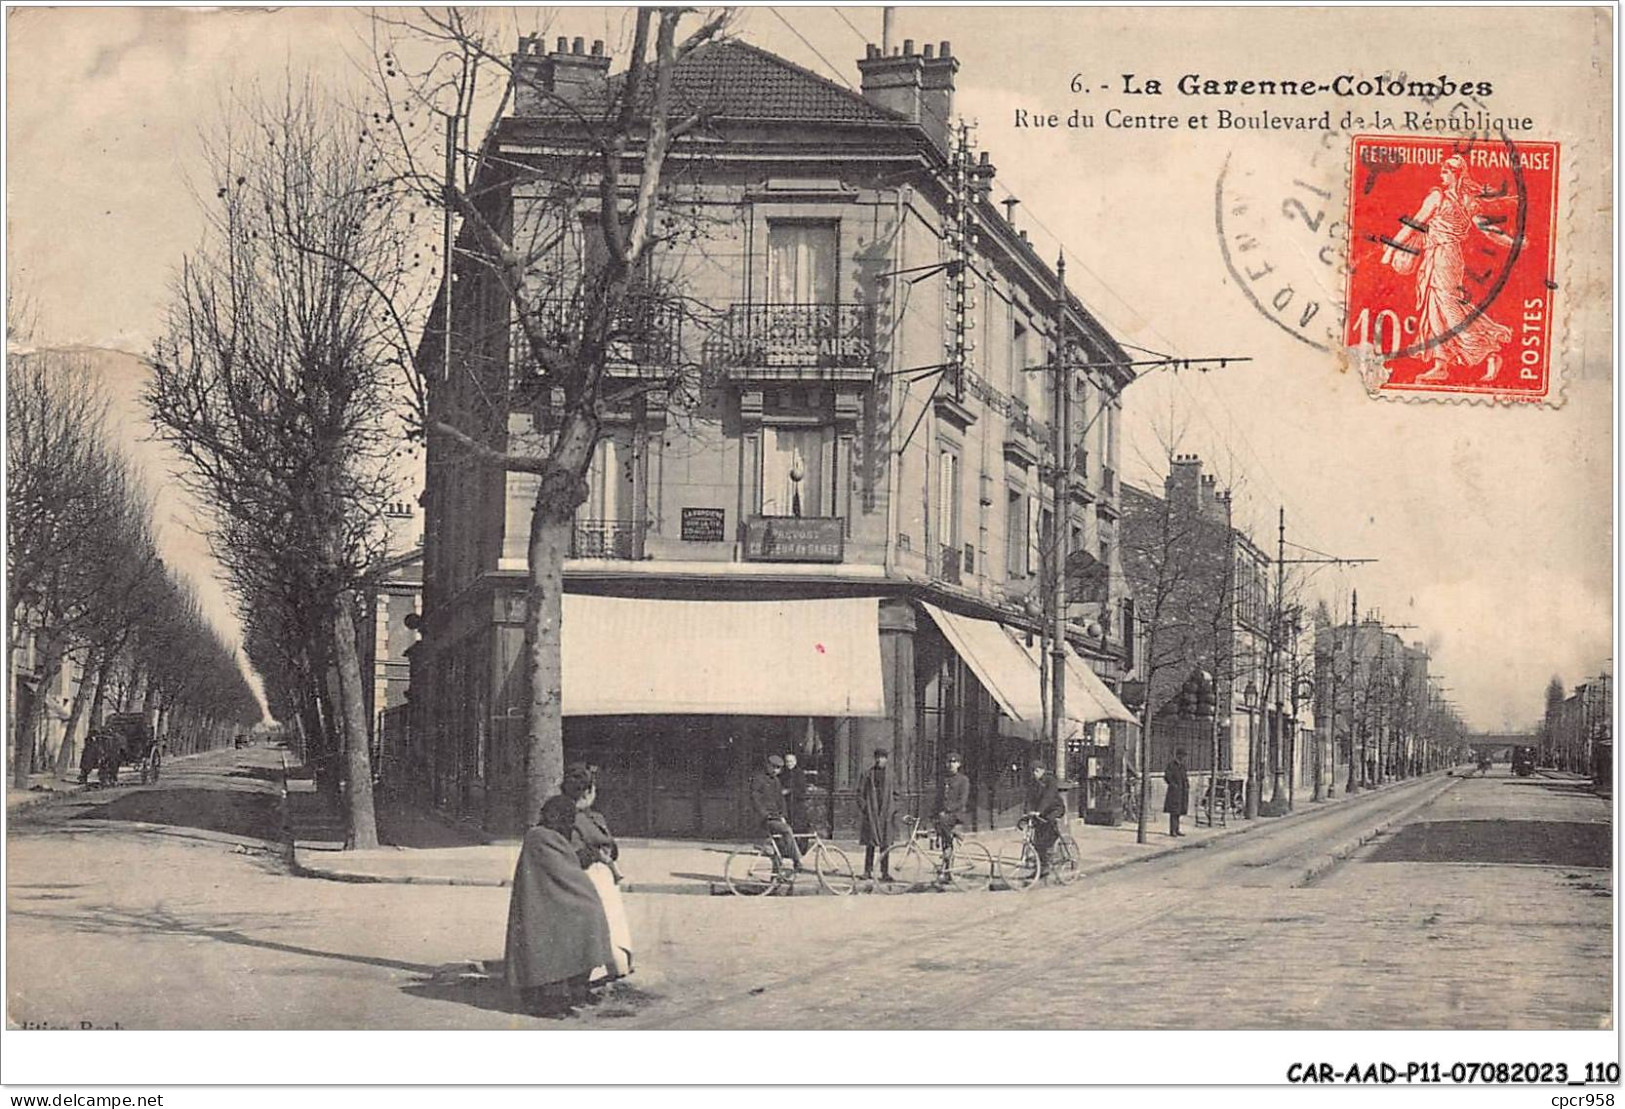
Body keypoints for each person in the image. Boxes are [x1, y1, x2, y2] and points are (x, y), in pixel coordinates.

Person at [1382, 153, 1518, 384]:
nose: (1442, 175)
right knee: (1435, 307)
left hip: (1445, 257)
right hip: (1437, 256)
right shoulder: (1464, 201)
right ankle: (1441, 364)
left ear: (1457, 174)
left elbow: (1414, 224)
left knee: (1448, 307)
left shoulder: (1443, 198)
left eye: (1446, 171)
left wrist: (1389, 251)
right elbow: (1417, 223)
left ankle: (1488, 351)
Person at [504, 794, 614, 1019]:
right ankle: (552, 998)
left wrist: (589, 856)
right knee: (586, 914)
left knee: (590, 914)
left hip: (554, 903)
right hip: (544, 908)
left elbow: (568, 861)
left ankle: (575, 988)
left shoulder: (551, 836)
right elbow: (564, 871)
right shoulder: (539, 837)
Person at [562, 768, 633, 983]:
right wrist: (599, 855)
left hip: (603, 875)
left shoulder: (594, 816)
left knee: (610, 919)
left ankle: (615, 963)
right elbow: (575, 851)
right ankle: (599, 967)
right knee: (600, 921)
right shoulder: (569, 818)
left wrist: (609, 854)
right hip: (589, 875)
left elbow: (610, 844)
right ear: (586, 792)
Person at [748, 755, 804, 870]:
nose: (775, 770)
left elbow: (781, 801)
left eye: (778, 768)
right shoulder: (759, 779)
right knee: (787, 830)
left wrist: (783, 815)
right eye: (773, 767)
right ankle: (797, 861)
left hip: (776, 817)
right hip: (766, 818)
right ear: (767, 765)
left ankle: (776, 878)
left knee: (779, 847)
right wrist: (765, 814)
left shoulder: (776, 781)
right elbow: (755, 799)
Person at [858, 747, 899, 882]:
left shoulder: (892, 775)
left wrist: (893, 808)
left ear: (886, 759)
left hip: (886, 814)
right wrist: (865, 809)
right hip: (872, 813)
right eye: (877, 757)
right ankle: (867, 871)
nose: (880, 760)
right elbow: (860, 793)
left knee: (885, 845)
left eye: (882, 757)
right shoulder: (868, 774)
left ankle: (885, 872)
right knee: (870, 844)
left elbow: (897, 794)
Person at [1023, 761, 1065, 874]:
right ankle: (1041, 866)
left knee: (1048, 831)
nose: (1034, 773)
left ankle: (1050, 852)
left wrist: (1039, 811)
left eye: (1036, 771)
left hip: (1055, 809)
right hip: (1041, 811)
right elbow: (1029, 798)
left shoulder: (1050, 780)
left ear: (1042, 770)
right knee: (1037, 838)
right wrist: (1026, 812)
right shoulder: (1033, 783)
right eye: (1032, 771)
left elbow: (1048, 797)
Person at [936, 752, 971, 852]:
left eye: (954, 762)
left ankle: (949, 846)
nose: (951, 764)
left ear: (959, 764)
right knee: (939, 822)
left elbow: (962, 801)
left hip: (957, 813)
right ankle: (946, 859)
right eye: (949, 762)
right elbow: (939, 797)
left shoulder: (963, 780)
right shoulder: (944, 779)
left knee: (943, 821)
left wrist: (948, 809)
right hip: (945, 814)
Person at [781, 751, 810, 834]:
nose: (789, 763)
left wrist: (789, 791)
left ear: (795, 761)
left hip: (797, 804)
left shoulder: (799, 773)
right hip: (786, 804)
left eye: (791, 761)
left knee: (799, 826)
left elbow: (801, 788)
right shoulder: (784, 773)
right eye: (787, 761)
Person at [1164, 747, 1190, 838]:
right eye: (1182, 756)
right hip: (1174, 792)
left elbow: (1185, 778)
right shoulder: (1171, 765)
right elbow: (1167, 776)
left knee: (1179, 812)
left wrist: (1187, 786)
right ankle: (1172, 830)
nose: (1183, 758)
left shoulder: (1182, 766)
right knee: (1174, 812)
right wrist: (1173, 785)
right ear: (1178, 756)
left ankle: (1177, 829)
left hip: (1182, 792)